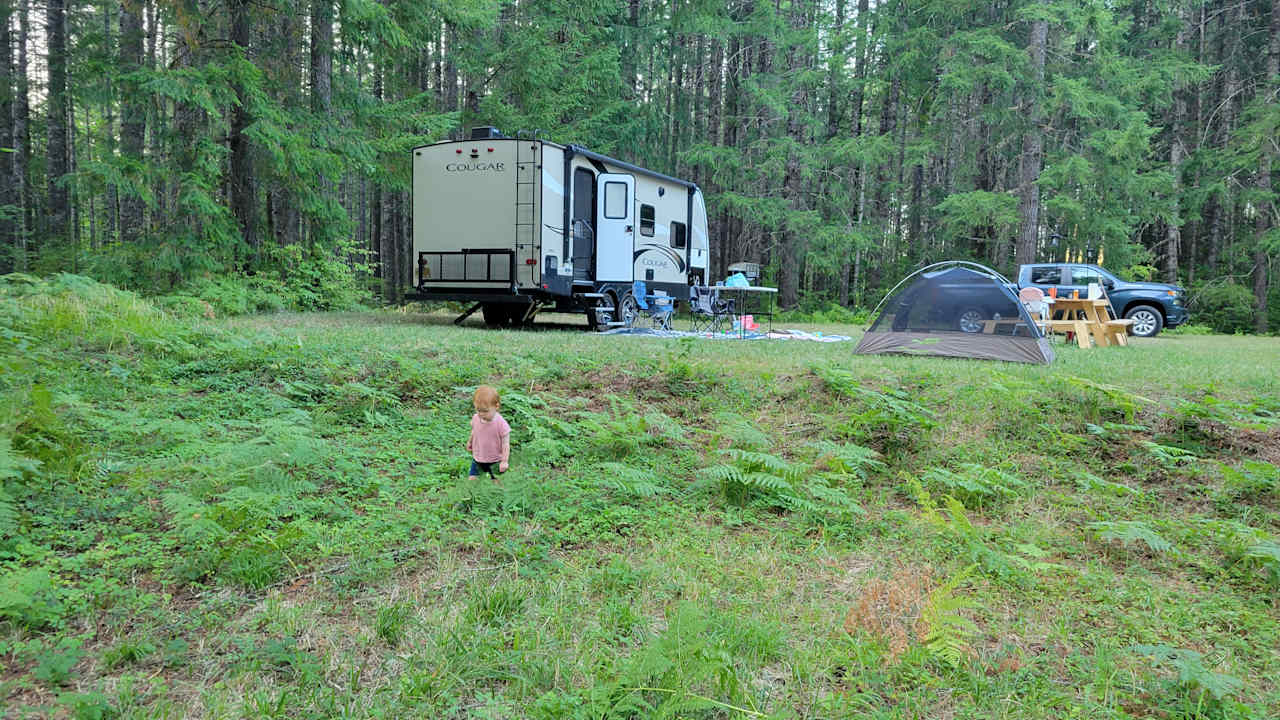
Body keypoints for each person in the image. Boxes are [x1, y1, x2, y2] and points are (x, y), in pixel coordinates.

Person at [467, 385, 510, 481]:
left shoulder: (500, 423)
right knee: (472, 480)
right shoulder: (476, 418)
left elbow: (505, 444)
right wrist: (470, 441)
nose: (481, 414)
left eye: (485, 411)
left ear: (496, 406)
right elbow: (474, 431)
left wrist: (504, 461)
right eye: (478, 410)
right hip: (478, 458)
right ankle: (473, 494)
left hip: (495, 460)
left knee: (496, 482)